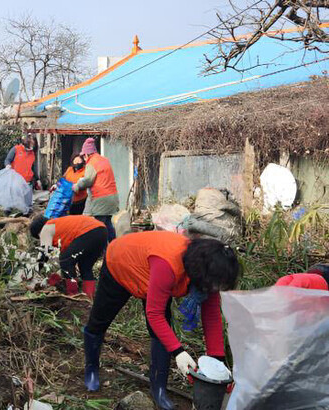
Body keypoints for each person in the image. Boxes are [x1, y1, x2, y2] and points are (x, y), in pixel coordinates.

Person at [83, 231, 239, 410]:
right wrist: (179, 352)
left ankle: (158, 390)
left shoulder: (209, 276)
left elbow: (211, 317)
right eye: (215, 287)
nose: (215, 290)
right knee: (99, 321)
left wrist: (217, 362)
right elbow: (154, 313)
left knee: (162, 332)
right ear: (202, 273)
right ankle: (91, 368)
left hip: (151, 274)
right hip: (121, 265)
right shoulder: (168, 264)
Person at [30, 214, 107, 298]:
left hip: (89, 231)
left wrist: (33, 272)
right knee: (85, 267)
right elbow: (50, 253)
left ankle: (73, 294)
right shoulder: (59, 226)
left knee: (65, 261)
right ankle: (89, 297)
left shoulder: (46, 228)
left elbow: (43, 255)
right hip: (101, 231)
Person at [72, 138, 119, 241]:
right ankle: (114, 246)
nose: (84, 159)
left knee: (99, 227)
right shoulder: (104, 160)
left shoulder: (92, 162)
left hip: (101, 200)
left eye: (84, 156)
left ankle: (103, 251)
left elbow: (88, 180)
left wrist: (77, 185)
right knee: (107, 224)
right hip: (112, 198)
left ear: (87, 154)